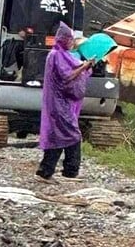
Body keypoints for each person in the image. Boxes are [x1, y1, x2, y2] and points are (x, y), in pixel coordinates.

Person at [36, 22, 94, 183]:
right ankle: (70, 171)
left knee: (59, 136)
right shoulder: (56, 55)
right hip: (58, 103)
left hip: (62, 103)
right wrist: (84, 67)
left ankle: (46, 171)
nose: (71, 42)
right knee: (73, 135)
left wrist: (86, 66)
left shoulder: (63, 54)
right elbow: (67, 76)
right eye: (69, 39)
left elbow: (76, 71)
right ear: (62, 39)